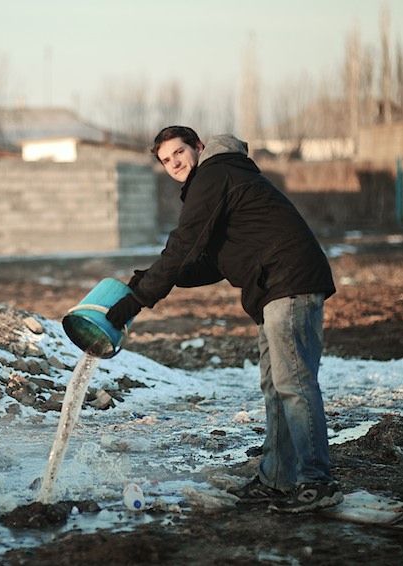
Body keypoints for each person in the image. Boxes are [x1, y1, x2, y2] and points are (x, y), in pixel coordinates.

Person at [105, 125, 342, 513]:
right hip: (274, 285)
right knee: (276, 385)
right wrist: (150, 279)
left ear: (198, 147)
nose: (174, 163)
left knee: (293, 384)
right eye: (166, 161)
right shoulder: (222, 177)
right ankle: (278, 479)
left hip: (289, 280)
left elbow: (184, 245)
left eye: (179, 152)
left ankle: (318, 482)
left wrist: (138, 299)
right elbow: (207, 261)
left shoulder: (215, 174)